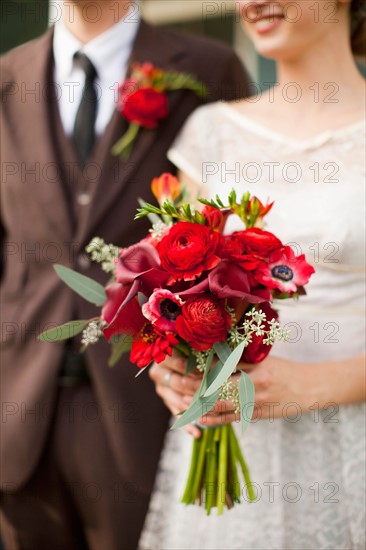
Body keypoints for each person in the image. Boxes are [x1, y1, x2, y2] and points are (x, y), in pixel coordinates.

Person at [0, 1, 251, 548]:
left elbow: (241, 240)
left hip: (151, 410)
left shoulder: (209, 71)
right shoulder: (6, 77)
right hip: (18, 417)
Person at [142, 0, 366, 548]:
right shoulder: (210, 132)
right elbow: (172, 284)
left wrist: (314, 385)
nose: (250, 3)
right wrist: (171, 370)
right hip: (235, 445)